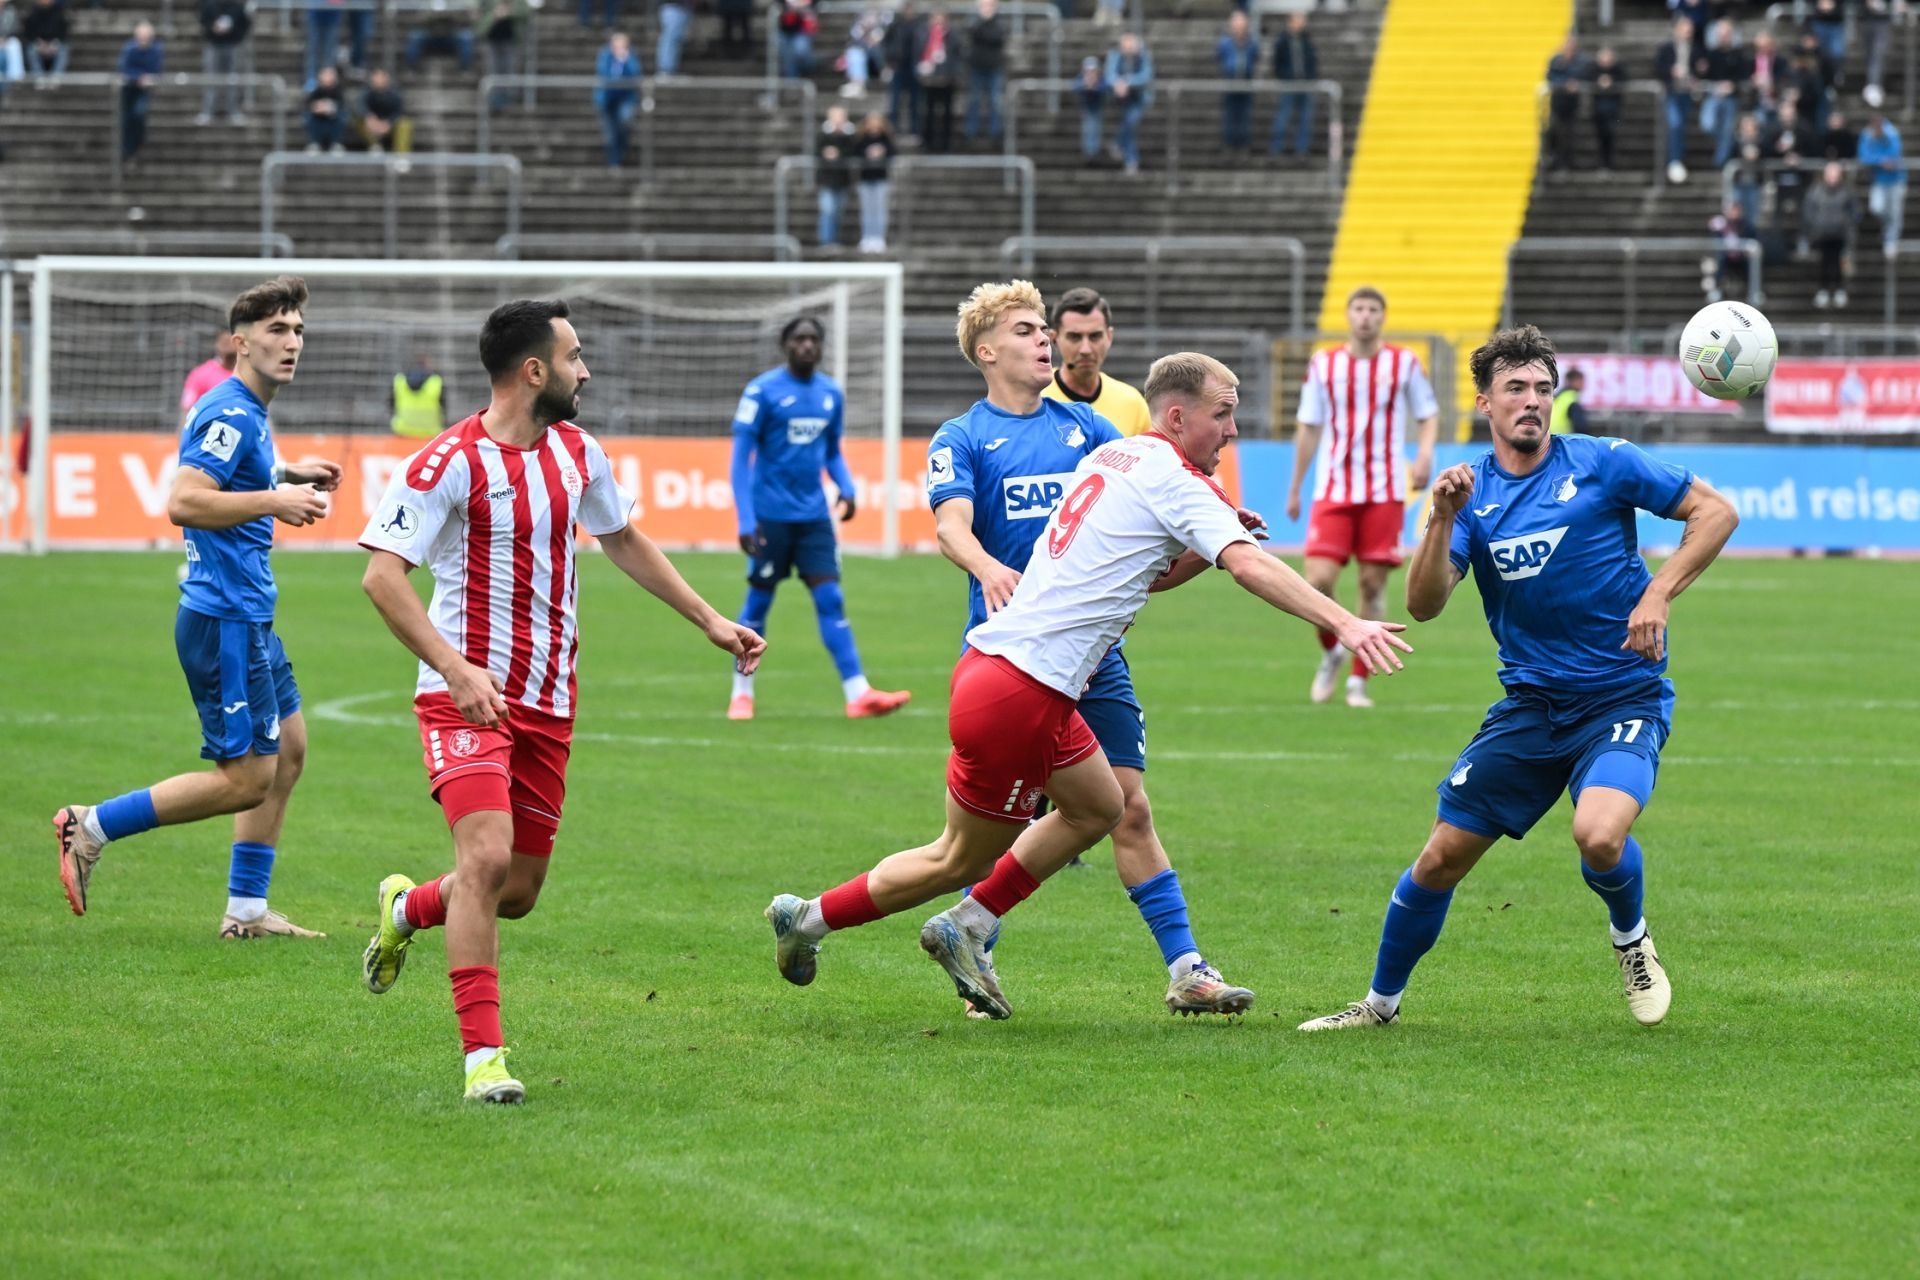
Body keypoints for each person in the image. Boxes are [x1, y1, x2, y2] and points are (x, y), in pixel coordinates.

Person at [763, 297, 1410, 1019]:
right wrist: (1344, 621)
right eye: (1224, 415)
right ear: (1176, 418)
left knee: (1107, 806)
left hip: (1021, 674)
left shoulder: (1107, 449)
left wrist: (1208, 540)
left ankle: (987, 927)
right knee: (959, 858)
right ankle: (816, 919)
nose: (1233, 430)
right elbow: (1250, 565)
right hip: (1022, 687)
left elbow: (1143, 568)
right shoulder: (1118, 464)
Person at [358, 299, 765, 1104]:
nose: (587, 371)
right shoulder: (446, 463)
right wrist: (455, 669)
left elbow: (622, 539)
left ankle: (407, 908)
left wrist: (711, 620)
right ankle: (484, 1062)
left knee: (515, 892)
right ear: (534, 370)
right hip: (464, 698)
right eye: (575, 357)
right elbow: (381, 577)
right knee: (485, 860)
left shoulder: (579, 453)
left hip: (548, 700)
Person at [1296, 325, 1740, 1034]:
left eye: (1541, 388)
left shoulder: (1602, 461)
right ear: (1486, 403)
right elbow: (1424, 604)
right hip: (1532, 707)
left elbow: (1716, 512)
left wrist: (1658, 593)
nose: (1531, 400)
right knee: (1439, 859)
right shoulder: (1468, 493)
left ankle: (1631, 940)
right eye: (1515, 388)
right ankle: (1378, 1006)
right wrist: (1441, 520)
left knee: (1598, 835)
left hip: (1621, 695)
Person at [924, 283, 1279, 1016]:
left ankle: (1187, 970)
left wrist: (1212, 533)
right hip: (1016, 660)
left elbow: (1148, 542)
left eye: (1045, 329)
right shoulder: (961, 437)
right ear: (986, 350)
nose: (1047, 340)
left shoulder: (1087, 428)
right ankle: (973, 947)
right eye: (1028, 330)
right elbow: (951, 525)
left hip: (1094, 658)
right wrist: (987, 567)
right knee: (1002, 830)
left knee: (1129, 807)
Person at [53, 277, 342, 939]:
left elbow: (233, 474)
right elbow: (183, 500)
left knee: (290, 751)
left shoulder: (247, 411)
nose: (292, 343)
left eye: (298, 330)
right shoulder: (231, 412)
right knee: (246, 779)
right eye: (276, 330)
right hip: (225, 619)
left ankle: (247, 912)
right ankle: (89, 825)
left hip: (249, 613)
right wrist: (275, 500)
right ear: (241, 342)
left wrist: (286, 474)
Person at [725, 316, 909, 721]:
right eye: (799, 339)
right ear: (785, 345)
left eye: (813, 339)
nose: (807, 345)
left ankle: (858, 693)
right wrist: (746, 519)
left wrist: (846, 485)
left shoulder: (830, 393)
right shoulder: (761, 391)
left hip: (814, 519)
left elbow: (831, 451)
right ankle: (742, 693)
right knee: (759, 601)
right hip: (770, 518)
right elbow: (740, 459)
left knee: (831, 599)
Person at [1286, 286, 1440, 709]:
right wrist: (1296, 485)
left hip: (1384, 489)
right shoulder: (1324, 364)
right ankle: (1332, 651)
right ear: (1349, 315)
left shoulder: (1403, 363)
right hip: (1334, 487)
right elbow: (1309, 426)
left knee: (1372, 585)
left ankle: (1357, 680)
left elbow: (1427, 414)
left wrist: (1425, 454)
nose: (1366, 316)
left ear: (1382, 317)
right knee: (1317, 581)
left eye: (1373, 309)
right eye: (1359, 308)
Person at [1041, 286, 1150, 437]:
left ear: (1109, 337)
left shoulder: (1133, 404)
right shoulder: (1035, 398)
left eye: (1095, 336)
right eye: (1074, 337)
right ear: (1054, 339)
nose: (1085, 349)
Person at [1802, 160, 1858, 309]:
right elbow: (1809, 210)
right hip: (1822, 234)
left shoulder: (1847, 192)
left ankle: (1840, 289)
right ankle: (1823, 289)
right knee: (1824, 262)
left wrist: (1846, 224)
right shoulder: (1816, 191)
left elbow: (1854, 212)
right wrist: (1815, 225)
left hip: (1840, 234)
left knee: (1840, 263)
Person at [1698, 17, 1748, 171]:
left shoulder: (1739, 55)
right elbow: (1703, 77)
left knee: (1728, 129)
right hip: (1713, 96)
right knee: (1708, 125)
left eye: (1726, 33)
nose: (1723, 36)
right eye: (1721, 33)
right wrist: (1702, 73)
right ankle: (1724, 150)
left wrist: (1732, 86)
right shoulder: (1710, 54)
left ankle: (1720, 162)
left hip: (1731, 98)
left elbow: (1743, 76)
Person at [1655, 14, 1698, 184]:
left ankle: (1679, 157)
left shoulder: (1695, 48)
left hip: (1687, 92)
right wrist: (1671, 72)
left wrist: (1696, 76)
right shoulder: (1666, 48)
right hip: (1672, 92)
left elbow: (1700, 69)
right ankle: (1674, 160)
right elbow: (1658, 69)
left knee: (1682, 126)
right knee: (1675, 123)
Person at [1267, 11, 1315, 160]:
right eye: (1298, 20)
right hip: (1288, 84)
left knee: (1305, 118)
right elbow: (1277, 63)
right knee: (1283, 115)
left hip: (1305, 84)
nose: (1301, 23)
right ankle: (1276, 148)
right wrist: (1284, 76)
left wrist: (1310, 76)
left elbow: (1312, 61)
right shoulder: (1282, 41)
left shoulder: (1306, 40)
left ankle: (1302, 149)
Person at [196, 0, 252, 127]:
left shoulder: (237, 8)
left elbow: (245, 24)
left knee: (233, 79)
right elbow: (203, 22)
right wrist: (212, 28)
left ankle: (234, 111)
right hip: (213, 44)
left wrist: (235, 34)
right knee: (210, 79)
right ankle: (208, 111)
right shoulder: (210, 5)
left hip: (232, 45)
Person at [1104, 30, 1152, 176]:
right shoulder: (1115, 56)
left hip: (1138, 98)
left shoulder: (1144, 56)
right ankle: (1130, 160)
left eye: (1131, 46)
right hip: (1121, 98)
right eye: (1125, 46)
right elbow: (1109, 74)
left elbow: (1146, 76)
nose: (1128, 49)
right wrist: (1118, 83)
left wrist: (1127, 82)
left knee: (1130, 123)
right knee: (1128, 125)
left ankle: (1122, 148)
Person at [1859, 113, 1906, 258]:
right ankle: (1886, 232)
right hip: (1879, 180)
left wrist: (1884, 160)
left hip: (1896, 180)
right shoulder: (1867, 134)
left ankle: (1891, 240)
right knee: (1877, 208)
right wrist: (1880, 161)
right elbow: (1864, 156)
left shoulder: (1892, 133)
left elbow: (1894, 155)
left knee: (1895, 212)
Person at [118, 20, 163, 165]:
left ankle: (136, 146)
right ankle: (127, 149)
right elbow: (124, 68)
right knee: (127, 118)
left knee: (139, 114)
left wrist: (148, 79)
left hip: (144, 90)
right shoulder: (129, 48)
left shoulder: (156, 50)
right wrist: (138, 77)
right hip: (129, 88)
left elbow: (156, 69)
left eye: (146, 37)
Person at [594, 31, 641, 169]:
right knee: (610, 132)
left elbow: (636, 74)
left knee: (624, 123)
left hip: (625, 98)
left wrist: (625, 60)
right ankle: (614, 161)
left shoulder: (631, 57)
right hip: (608, 99)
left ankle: (622, 152)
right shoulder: (605, 56)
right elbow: (603, 73)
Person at [963, 0, 1005, 145]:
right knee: (973, 100)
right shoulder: (975, 22)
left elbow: (996, 37)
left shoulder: (999, 23)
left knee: (995, 101)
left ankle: (995, 133)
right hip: (977, 67)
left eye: (989, 5)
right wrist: (983, 22)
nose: (986, 9)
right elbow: (972, 32)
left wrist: (984, 28)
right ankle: (970, 132)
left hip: (994, 67)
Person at [1216, 10, 1258, 153]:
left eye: (1241, 22)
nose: (1239, 26)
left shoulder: (1250, 42)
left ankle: (1243, 145)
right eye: (1236, 22)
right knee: (1230, 115)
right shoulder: (1225, 42)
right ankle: (1229, 145)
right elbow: (1220, 57)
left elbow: (1255, 56)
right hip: (1230, 81)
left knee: (1244, 115)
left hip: (1246, 81)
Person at [180, 328, 239, 428]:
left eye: (231, 341)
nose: (228, 346)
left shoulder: (248, 375)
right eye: (224, 342)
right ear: (217, 345)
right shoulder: (200, 374)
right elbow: (187, 408)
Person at [1544, 33, 1585, 174]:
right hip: (1558, 104)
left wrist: (1573, 83)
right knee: (1555, 131)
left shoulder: (1579, 61)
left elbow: (1582, 74)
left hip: (1572, 104)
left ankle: (1568, 162)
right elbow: (1551, 77)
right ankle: (1555, 160)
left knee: (1570, 134)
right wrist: (1565, 84)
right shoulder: (1556, 60)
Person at [816, 103, 855, 248]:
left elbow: (852, 152)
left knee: (838, 211)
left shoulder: (849, 135)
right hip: (826, 179)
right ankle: (826, 240)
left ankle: (835, 239)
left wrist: (839, 152)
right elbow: (817, 151)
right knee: (827, 209)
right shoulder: (823, 134)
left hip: (842, 179)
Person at [854, 110, 894, 254]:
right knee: (867, 210)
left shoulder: (886, 139)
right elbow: (856, 153)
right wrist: (867, 153)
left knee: (880, 210)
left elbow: (893, 153)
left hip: (881, 179)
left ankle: (879, 237)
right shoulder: (862, 139)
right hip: (866, 178)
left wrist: (882, 152)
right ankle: (867, 236)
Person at [884, 0, 924, 138]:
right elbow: (886, 42)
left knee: (915, 100)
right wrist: (890, 59)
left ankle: (915, 128)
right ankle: (893, 127)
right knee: (895, 100)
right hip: (898, 66)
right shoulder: (895, 25)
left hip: (914, 66)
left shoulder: (919, 26)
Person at [917, 9, 954, 153]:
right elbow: (918, 52)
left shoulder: (952, 35)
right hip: (929, 80)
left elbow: (956, 55)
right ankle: (927, 143)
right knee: (928, 113)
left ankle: (946, 144)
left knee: (946, 114)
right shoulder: (924, 35)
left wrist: (950, 74)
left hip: (946, 80)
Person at [403, 1, 475, 72]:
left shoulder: (455, 3)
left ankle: (465, 69)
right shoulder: (427, 4)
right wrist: (431, 16)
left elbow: (462, 19)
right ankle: (411, 69)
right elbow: (419, 20)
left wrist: (450, 15)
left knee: (465, 36)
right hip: (430, 36)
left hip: (450, 36)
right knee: (415, 36)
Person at [356, 66, 412, 152]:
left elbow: (399, 110)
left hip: (390, 124)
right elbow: (360, 105)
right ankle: (375, 146)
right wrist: (370, 117)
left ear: (387, 78)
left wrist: (389, 122)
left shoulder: (395, 93)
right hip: (372, 124)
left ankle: (401, 155)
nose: (379, 80)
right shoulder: (366, 91)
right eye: (376, 76)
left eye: (382, 76)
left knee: (405, 123)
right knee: (359, 120)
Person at [391, 354, 445, 438]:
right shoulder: (436, 381)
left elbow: (391, 404)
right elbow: (444, 407)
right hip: (430, 433)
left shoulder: (400, 380)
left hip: (403, 432)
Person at [1590, 44, 1622, 171]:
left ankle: (1609, 163)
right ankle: (1603, 163)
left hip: (1613, 109)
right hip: (1598, 110)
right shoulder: (1594, 69)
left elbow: (1624, 78)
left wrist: (1612, 82)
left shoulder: (1617, 70)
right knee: (1601, 136)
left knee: (1611, 135)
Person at [303, 63, 347, 153]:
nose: (327, 77)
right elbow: (308, 104)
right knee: (308, 116)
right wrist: (316, 107)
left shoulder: (338, 91)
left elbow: (341, 104)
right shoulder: (316, 91)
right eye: (325, 74)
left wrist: (330, 107)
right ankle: (314, 143)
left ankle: (336, 144)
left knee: (342, 116)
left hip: (333, 120)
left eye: (330, 74)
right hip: (318, 119)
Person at [22, 0, 67, 78]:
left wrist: (54, 43)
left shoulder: (59, 13)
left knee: (63, 50)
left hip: (54, 43)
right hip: (38, 43)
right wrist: (39, 43)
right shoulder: (32, 14)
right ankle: (39, 77)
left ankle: (56, 78)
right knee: (31, 50)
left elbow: (63, 33)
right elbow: (29, 33)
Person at [1075, 55, 1105, 164]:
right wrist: (1085, 85)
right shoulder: (1081, 79)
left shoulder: (1101, 80)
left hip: (1097, 107)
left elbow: (1104, 87)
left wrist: (1095, 86)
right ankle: (1089, 152)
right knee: (1088, 128)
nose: (1091, 74)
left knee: (1095, 128)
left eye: (1093, 71)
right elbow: (1075, 86)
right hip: (1086, 108)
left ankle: (1094, 152)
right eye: (1088, 71)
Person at [777, 0, 815, 80]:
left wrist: (802, 7)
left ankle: (805, 71)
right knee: (788, 59)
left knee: (801, 52)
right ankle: (791, 81)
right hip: (786, 28)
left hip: (802, 28)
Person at [1549, 366, 1587, 435]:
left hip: (1551, 436)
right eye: (1581, 381)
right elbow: (1580, 427)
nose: (1583, 384)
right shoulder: (1571, 399)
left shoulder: (1559, 396)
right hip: (1564, 438)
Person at [656, 0, 689, 75]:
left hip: (683, 7)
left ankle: (671, 69)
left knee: (677, 41)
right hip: (672, 7)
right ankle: (665, 69)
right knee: (669, 39)